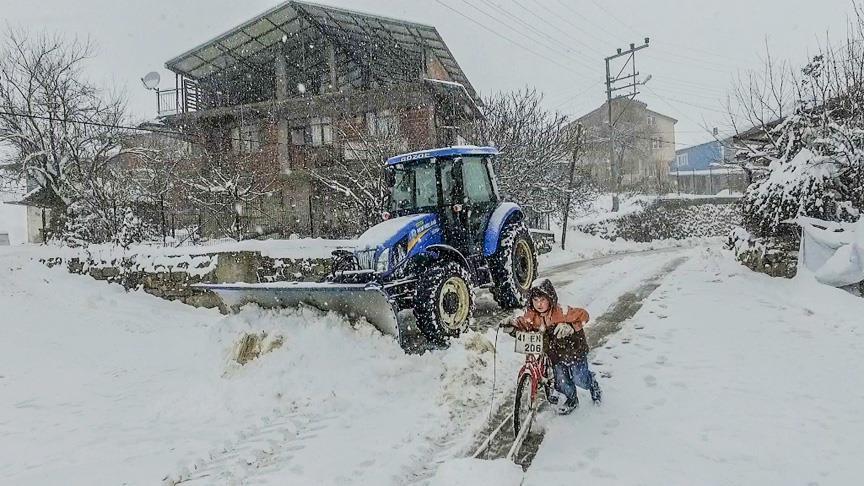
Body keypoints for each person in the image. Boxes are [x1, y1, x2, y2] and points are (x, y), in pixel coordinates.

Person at [503, 278, 602, 414]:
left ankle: (592, 383)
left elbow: (584, 315)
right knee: (562, 382)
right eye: (535, 300)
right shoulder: (532, 315)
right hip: (555, 355)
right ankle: (572, 399)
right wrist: (512, 325)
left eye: (542, 300)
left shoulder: (562, 312)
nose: (539, 304)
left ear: (550, 299)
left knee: (580, 379)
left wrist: (571, 327)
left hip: (574, 350)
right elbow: (524, 324)